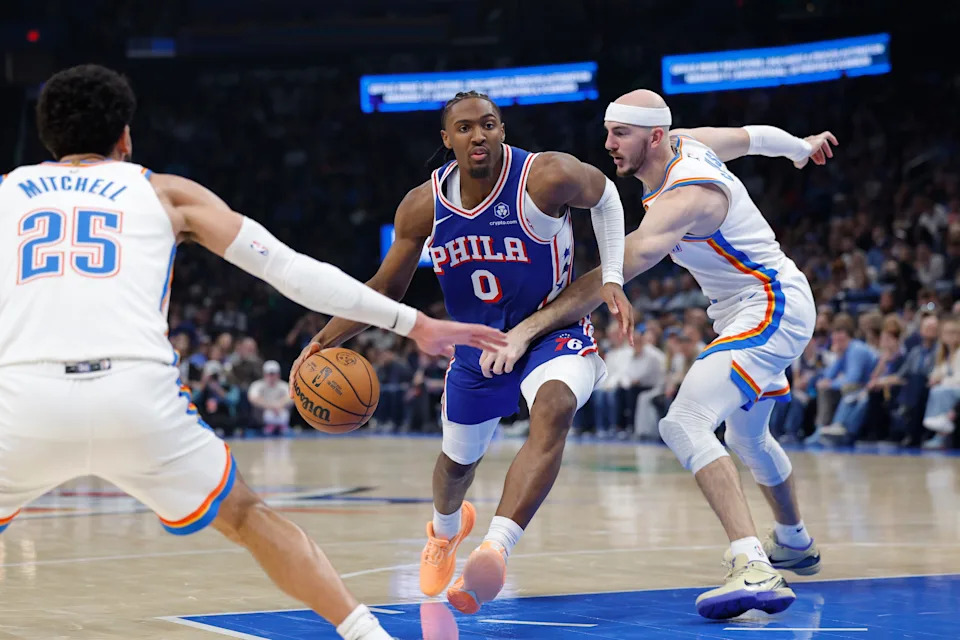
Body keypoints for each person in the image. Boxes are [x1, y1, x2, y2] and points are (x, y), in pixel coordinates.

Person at [0, 64, 508, 640]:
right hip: (134, 396)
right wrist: (413, 323)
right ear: (125, 138)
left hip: (20, 397)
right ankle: (368, 635)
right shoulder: (163, 191)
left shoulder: (5, 192)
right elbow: (289, 270)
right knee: (248, 518)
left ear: (47, 140)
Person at [482, 89, 837, 619]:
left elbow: (614, 269)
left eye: (619, 134)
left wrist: (527, 328)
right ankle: (793, 541)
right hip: (752, 305)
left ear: (653, 137)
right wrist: (800, 148)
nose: (608, 144)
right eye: (606, 131)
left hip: (769, 304)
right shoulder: (683, 140)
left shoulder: (685, 195)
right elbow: (753, 138)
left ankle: (754, 566)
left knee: (685, 422)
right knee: (748, 435)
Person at [290, 90, 632, 614]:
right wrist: (323, 340)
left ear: (502, 130)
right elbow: (385, 288)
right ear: (446, 139)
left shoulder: (545, 177)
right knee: (455, 468)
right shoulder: (421, 206)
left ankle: (495, 549)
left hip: (551, 332)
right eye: (467, 128)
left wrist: (611, 275)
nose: (479, 135)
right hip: (473, 345)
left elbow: (606, 195)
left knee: (556, 406)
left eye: (489, 125)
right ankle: (445, 533)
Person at [248, 360, 294, 435]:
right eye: (269, 374)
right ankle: (269, 426)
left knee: (283, 414)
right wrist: (271, 406)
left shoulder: (284, 385)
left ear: (278, 374)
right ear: (264, 374)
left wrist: (279, 405)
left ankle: (281, 426)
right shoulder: (257, 385)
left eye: (273, 374)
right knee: (269, 414)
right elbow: (252, 398)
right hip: (262, 417)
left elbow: (291, 397)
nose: (271, 377)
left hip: (281, 413)